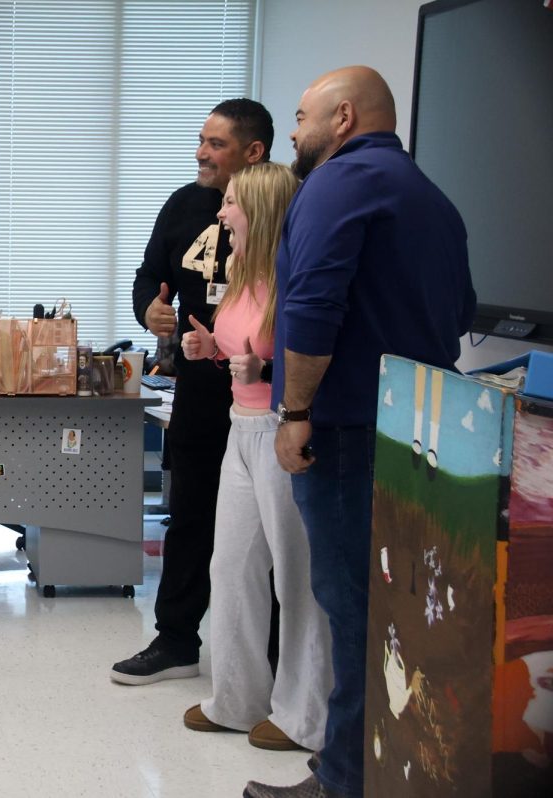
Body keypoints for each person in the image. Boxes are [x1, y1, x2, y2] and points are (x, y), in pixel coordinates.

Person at [244, 67, 475, 798]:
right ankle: (378, 769)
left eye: (302, 117)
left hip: (340, 431)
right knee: (395, 611)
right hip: (415, 435)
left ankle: (343, 781)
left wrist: (295, 413)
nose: (294, 132)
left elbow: (311, 308)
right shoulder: (430, 197)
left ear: (342, 118)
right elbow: (460, 312)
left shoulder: (337, 186)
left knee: (353, 610)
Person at [113, 98, 274, 685]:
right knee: (191, 516)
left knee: (269, 529)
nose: (201, 153)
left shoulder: (285, 208)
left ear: (253, 153)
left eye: (216, 144)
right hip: (202, 389)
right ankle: (177, 639)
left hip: (268, 391)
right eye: (200, 141)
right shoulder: (183, 204)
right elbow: (147, 277)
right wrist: (150, 310)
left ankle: (273, 656)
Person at [175, 162, 332, 754]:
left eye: (232, 202)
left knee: (297, 578)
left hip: (281, 429)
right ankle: (236, 699)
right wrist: (208, 348)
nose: (220, 212)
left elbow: (313, 356)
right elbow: (238, 348)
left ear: (261, 209)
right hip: (239, 428)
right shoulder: (239, 268)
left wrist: (264, 369)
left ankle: (303, 716)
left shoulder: (296, 277)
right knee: (232, 567)